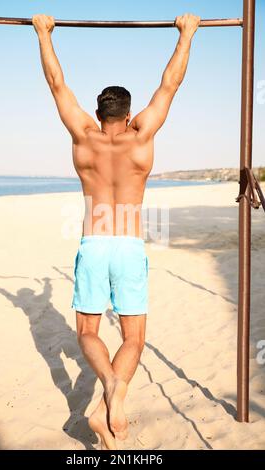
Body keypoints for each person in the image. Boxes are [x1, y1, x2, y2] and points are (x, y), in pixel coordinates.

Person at [33, 13, 200, 450]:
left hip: (93, 242)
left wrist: (43, 33)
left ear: (97, 113)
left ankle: (106, 382)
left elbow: (56, 84)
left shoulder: (82, 135)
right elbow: (170, 85)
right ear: (128, 115)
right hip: (127, 243)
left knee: (88, 332)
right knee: (134, 338)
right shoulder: (141, 137)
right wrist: (187, 34)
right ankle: (116, 390)